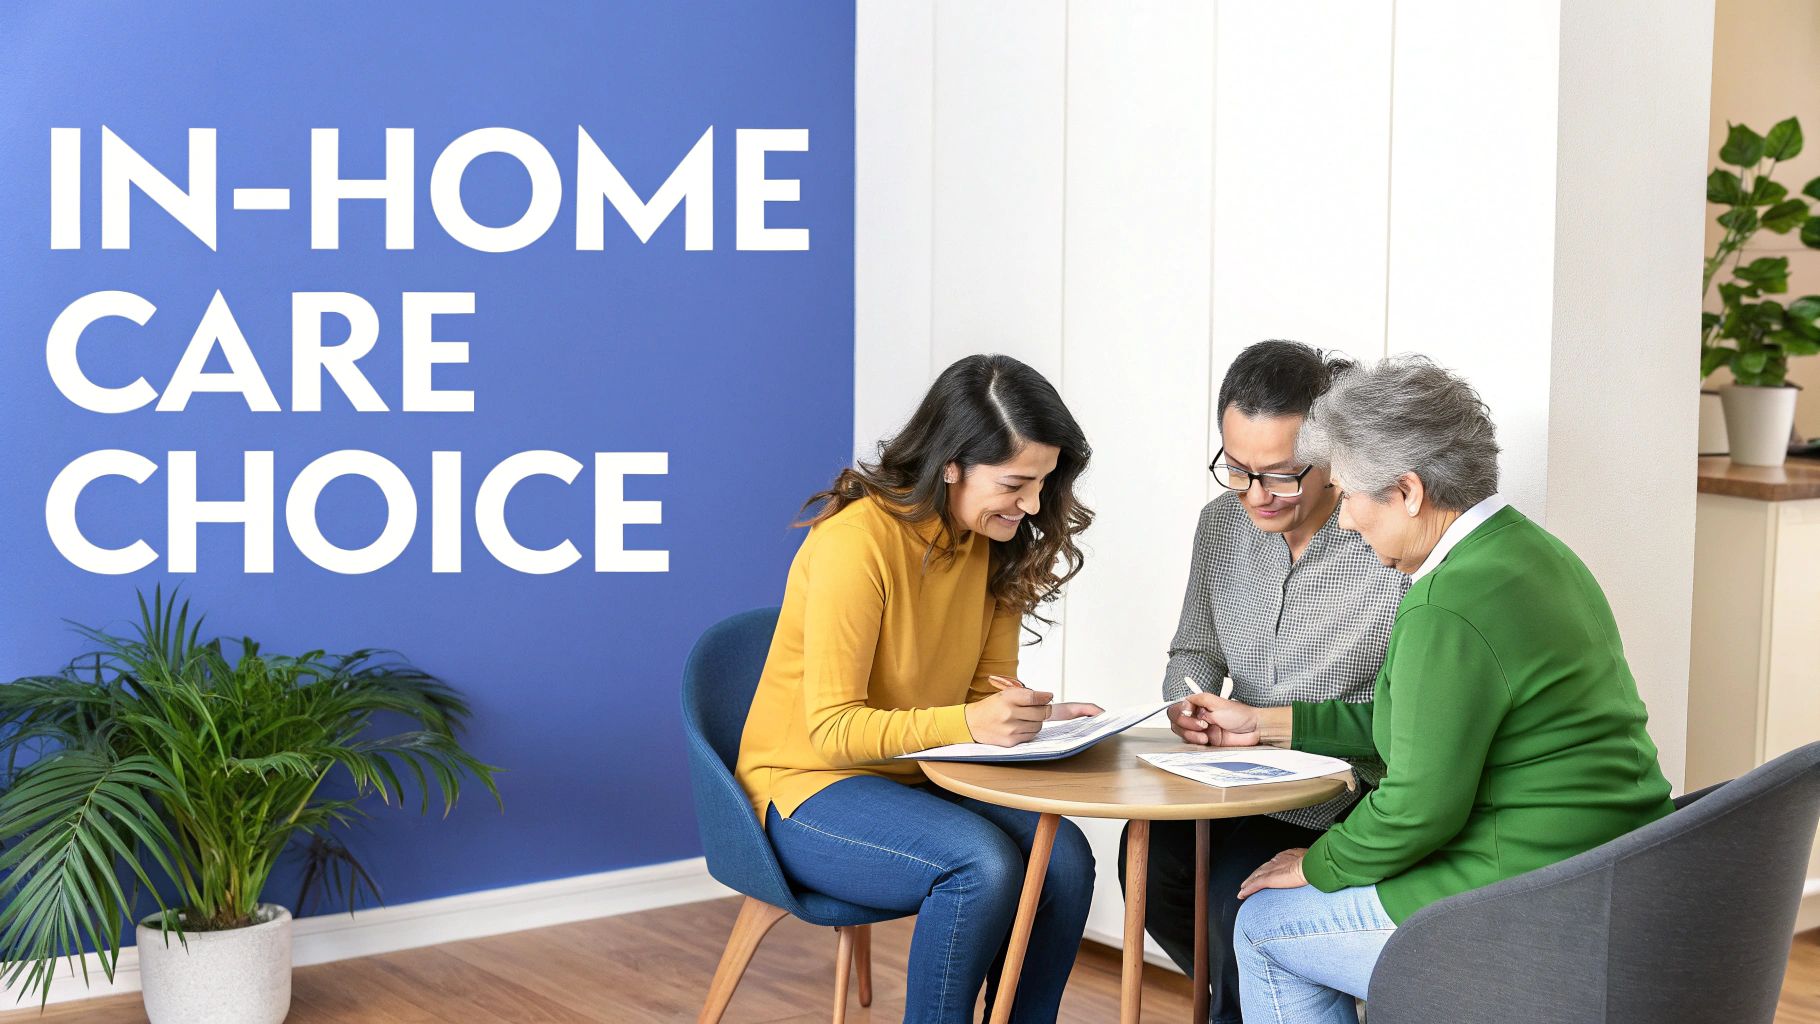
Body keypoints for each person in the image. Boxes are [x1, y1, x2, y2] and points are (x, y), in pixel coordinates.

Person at [1183, 355, 1675, 1024]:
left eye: (1349, 495)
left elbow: (1418, 810)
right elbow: (1418, 726)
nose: (1345, 521)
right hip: (1617, 870)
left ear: (1408, 492)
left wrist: (1320, 863)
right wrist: (1268, 723)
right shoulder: (1536, 553)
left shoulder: (1444, 603)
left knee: (1265, 927)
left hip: (1523, 894)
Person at [735, 353, 1101, 1024]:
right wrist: (973, 723)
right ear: (951, 464)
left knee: (1065, 858)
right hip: (806, 786)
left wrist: (1025, 721)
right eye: (1015, 483)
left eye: (1044, 482)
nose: (1032, 504)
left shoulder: (994, 542)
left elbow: (975, 702)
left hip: (920, 774)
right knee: (980, 866)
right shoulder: (856, 542)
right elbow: (833, 730)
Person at [1119, 340, 1407, 1024]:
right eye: (1237, 469)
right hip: (1231, 777)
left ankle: (1249, 996)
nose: (1255, 495)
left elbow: (1405, 716)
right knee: (1150, 869)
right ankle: (1254, 998)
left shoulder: (1384, 540)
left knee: (1236, 900)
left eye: (1279, 475)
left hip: (1336, 794)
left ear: (1332, 455)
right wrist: (1188, 703)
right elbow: (1193, 650)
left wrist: (1274, 725)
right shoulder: (1220, 526)